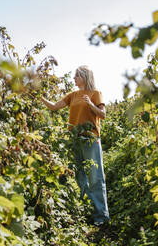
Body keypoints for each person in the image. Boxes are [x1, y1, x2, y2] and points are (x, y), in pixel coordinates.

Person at [41, 65, 110, 225]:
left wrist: (91, 104)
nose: (74, 79)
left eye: (76, 76)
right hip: (74, 140)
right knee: (80, 177)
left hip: (90, 139)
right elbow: (54, 107)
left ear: (85, 77)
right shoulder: (72, 95)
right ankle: (88, 211)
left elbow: (103, 115)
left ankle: (101, 216)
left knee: (96, 177)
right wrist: (40, 97)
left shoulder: (95, 93)